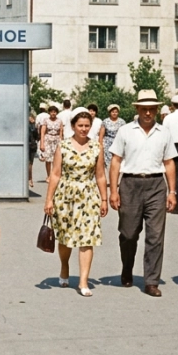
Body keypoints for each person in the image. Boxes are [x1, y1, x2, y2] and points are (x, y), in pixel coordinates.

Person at [108, 90, 177, 297]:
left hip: (156, 185)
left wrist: (172, 191)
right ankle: (127, 268)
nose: (148, 113)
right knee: (128, 234)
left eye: (152, 109)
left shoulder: (164, 132)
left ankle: (151, 281)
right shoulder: (125, 131)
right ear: (137, 109)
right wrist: (114, 191)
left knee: (155, 236)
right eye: (144, 109)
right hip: (130, 184)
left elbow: (169, 162)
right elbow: (116, 162)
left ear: (157, 110)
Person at [44, 110, 108, 296]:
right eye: (80, 125)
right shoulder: (62, 146)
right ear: (73, 126)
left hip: (88, 195)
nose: (83, 129)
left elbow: (101, 175)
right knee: (65, 237)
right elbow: (55, 174)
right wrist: (49, 199)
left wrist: (104, 199)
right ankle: (64, 267)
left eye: (87, 126)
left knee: (87, 238)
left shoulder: (96, 147)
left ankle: (83, 281)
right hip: (65, 195)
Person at [38, 105, 63, 181]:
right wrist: (42, 143)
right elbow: (42, 132)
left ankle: (54, 175)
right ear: (49, 112)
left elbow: (61, 131)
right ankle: (48, 175)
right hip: (48, 139)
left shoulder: (59, 121)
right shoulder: (46, 120)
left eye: (55, 112)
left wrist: (61, 141)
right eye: (52, 112)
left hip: (56, 140)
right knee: (48, 159)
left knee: (56, 159)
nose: (53, 113)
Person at [99, 104, 125, 169]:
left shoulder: (122, 122)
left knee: (117, 159)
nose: (114, 113)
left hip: (118, 142)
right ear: (110, 112)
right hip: (107, 143)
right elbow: (101, 135)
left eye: (116, 112)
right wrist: (100, 145)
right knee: (108, 163)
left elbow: (124, 134)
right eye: (113, 112)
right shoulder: (105, 121)